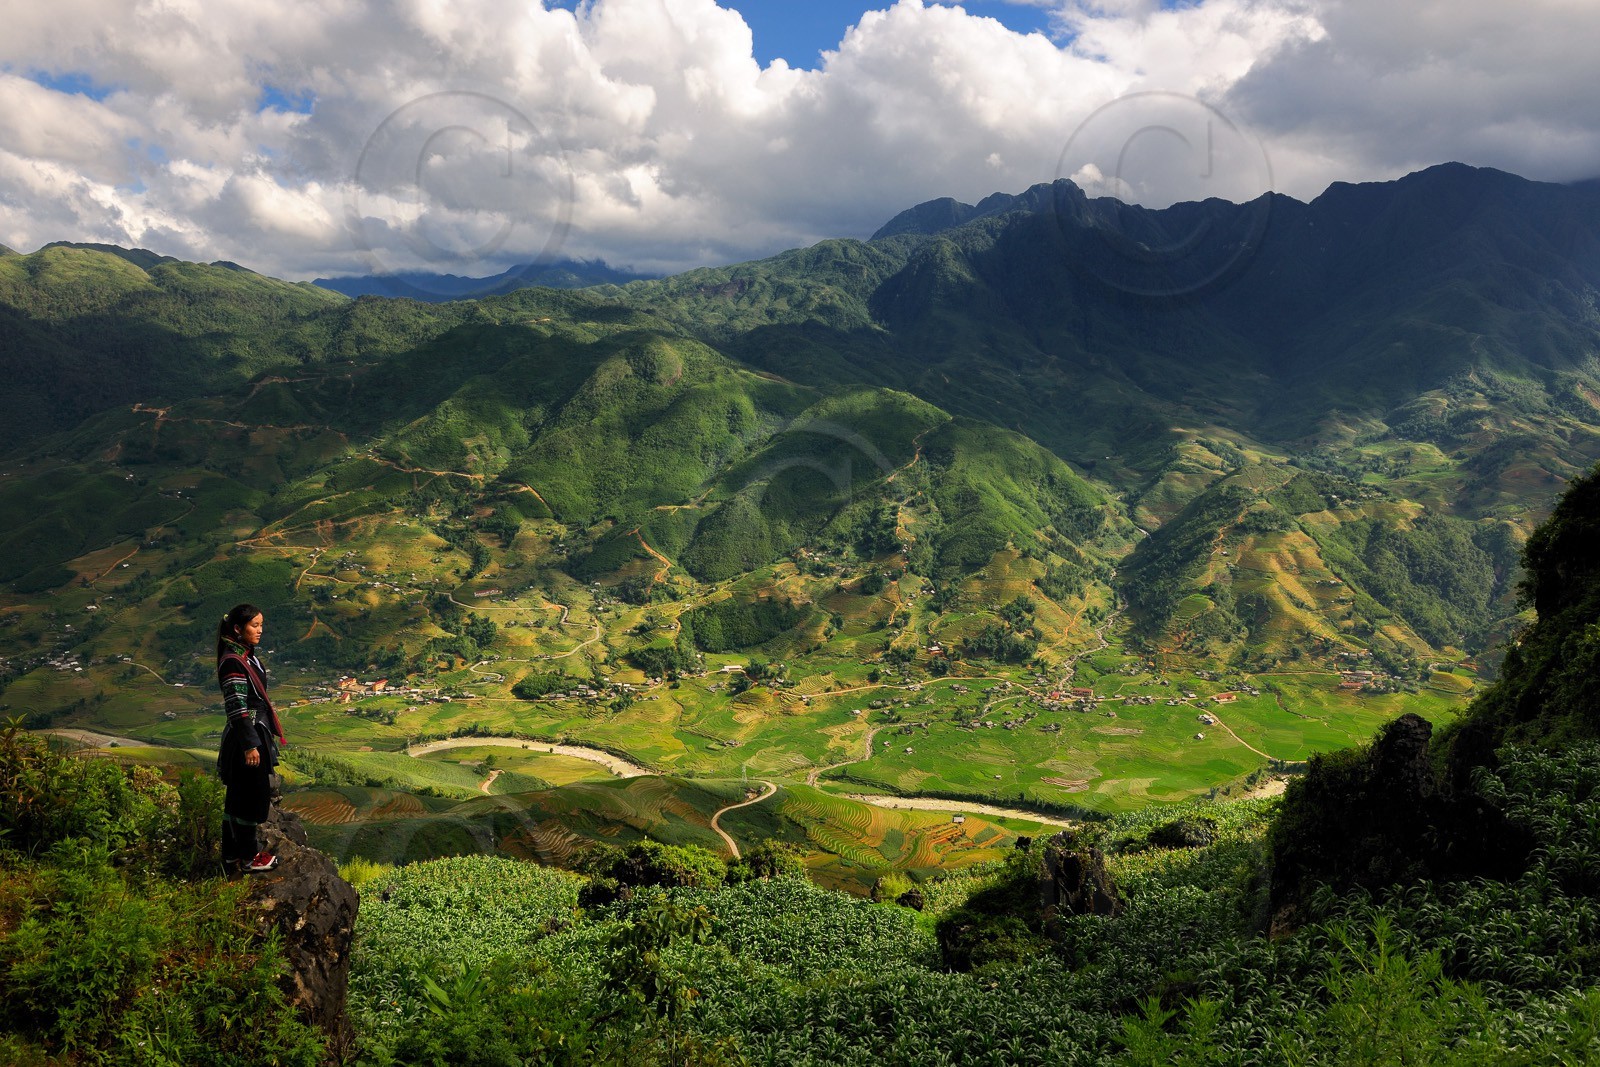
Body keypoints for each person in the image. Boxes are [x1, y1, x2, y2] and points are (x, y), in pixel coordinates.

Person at [216, 603, 285, 874]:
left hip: (253, 733)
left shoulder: (245, 656)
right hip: (248, 737)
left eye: (261, 625)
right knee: (249, 798)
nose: (260, 631)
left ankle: (231, 855)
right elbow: (236, 705)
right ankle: (248, 857)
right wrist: (250, 745)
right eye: (254, 626)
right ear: (237, 629)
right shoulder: (233, 662)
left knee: (237, 797)